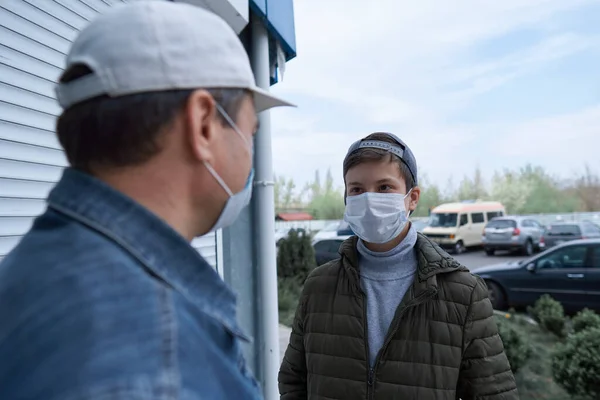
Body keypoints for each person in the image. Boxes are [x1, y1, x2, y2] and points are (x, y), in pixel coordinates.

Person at [0, 2, 292, 399]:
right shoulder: (157, 363)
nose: (251, 152)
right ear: (204, 124)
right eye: (250, 131)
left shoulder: (33, 270)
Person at [278, 132, 518, 399]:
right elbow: (294, 380)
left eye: (384, 188)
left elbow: (494, 393)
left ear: (412, 197)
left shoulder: (463, 293)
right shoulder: (320, 285)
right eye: (357, 189)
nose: (369, 201)